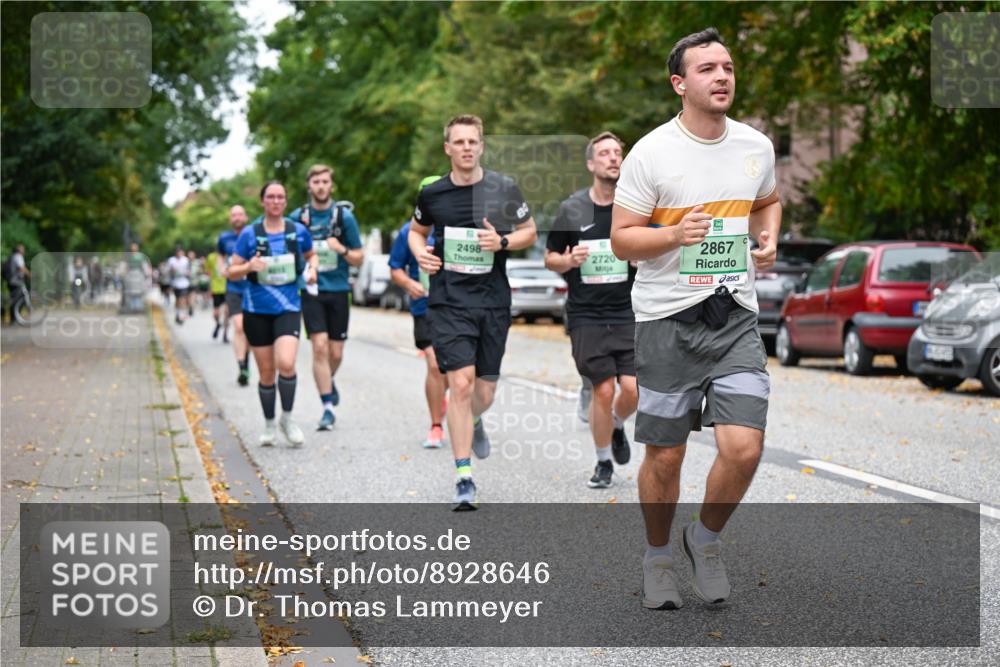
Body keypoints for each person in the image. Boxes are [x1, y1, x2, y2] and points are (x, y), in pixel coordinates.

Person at [611, 28, 780, 610]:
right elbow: (622, 241)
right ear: (680, 83)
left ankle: (703, 540)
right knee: (666, 453)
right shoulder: (651, 153)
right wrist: (672, 235)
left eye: (728, 66)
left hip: (734, 316)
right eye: (708, 68)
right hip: (666, 320)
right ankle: (658, 556)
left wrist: (769, 238)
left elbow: (768, 199)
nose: (723, 76)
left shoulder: (756, 146)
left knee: (744, 448)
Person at [410, 115, 538, 510]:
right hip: (449, 302)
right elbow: (417, 232)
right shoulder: (433, 194)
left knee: (484, 391)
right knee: (460, 385)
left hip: (492, 301)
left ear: (481, 146)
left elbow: (529, 231)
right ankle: (464, 476)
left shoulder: (504, 188)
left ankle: (476, 420)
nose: (466, 147)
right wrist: (421, 255)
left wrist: (501, 240)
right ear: (447, 149)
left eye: (473, 141)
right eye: (459, 142)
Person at [546, 131, 638, 489]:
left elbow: (653, 248)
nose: (613, 158)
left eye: (617, 152)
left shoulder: (633, 208)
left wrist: (638, 256)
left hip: (628, 311)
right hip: (586, 315)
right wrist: (568, 259)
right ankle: (603, 463)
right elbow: (550, 257)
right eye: (605, 153)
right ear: (591, 164)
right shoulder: (572, 209)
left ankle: (616, 424)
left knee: (633, 389)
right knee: (602, 390)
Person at [227, 181, 317, 447]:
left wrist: (313, 270)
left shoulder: (298, 231)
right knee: (266, 372)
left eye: (280, 197)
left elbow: (312, 256)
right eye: (271, 197)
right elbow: (230, 271)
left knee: (286, 364)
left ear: (285, 202)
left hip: (288, 307)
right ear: (263, 201)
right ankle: (268, 424)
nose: (276, 201)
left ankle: (287, 419)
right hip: (256, 310)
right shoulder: (249, 234)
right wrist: (247, 267)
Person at [288, 165, 364, 430]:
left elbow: (359, 257)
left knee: (336, 351)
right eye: (316, 182)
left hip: (339, 290)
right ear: (309, 186)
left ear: (332, 186)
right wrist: (302, 269)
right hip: (312, 291)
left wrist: (340, 248)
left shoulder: (344, 218)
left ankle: (328, 381)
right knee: (318, 347)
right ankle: (327, 408)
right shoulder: (298, 218)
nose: (321, 186)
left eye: (325, 181)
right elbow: (287, 251)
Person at [389, 175, 449, 450]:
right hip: (424, 306)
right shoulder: (408, 231)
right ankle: (436, 426)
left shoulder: (458, 226)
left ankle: (450, 397)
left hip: (456, 306)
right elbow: (395, 267)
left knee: (457, 369)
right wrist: (408, 283)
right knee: (435, 364)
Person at [219, 205, 252, 385]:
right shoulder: (225, 238)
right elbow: (220, 256)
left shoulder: (253, 234)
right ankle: (242, 366)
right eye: (233, 215)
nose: (237, 217)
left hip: (252, 288)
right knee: (239, 327)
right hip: (234, 288)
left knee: (250, 330)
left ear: (245, 217)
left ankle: (246, 360)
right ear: (230, 218)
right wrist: (221, 269)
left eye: (240, 214)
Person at [4, 244, 29, 323]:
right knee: (18, 299)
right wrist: (29, 274)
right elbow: (21, 268)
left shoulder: (13, 256)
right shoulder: (18, 257)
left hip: (11, 281)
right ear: (20, 250)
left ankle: (14, 318)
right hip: (16, 282)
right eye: (22, 249)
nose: (24, 251)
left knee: (15, 299)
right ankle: (14, 319)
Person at [206, 247, 227, 340]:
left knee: (227, 312)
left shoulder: (229, 256)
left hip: (228, 288)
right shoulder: (211, 257)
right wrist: (209, 288)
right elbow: (209, 273)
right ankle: (218, 324)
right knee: (216, 313)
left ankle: (225, 334)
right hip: (216, 288)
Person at [167, 246, 192, 325]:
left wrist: (187, 273)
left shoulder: (185, 260)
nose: (179, 254)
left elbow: (189, 271)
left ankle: (181, 315)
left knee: (182, 299)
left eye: (180, 252)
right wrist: (173, 272)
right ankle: (177, 314)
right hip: (175, 283)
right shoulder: (171, 260)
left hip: (184, 283)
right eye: (178, 252)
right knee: (177, 300)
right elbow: (168, 271)